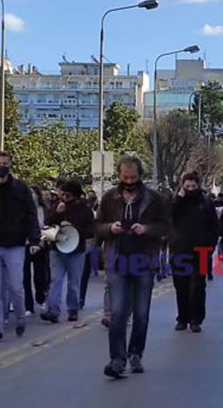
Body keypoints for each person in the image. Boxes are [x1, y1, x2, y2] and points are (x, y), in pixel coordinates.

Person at [96, 155, 168, 378]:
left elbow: (165, 227)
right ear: (118, 176)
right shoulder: (109, 198)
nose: (129, 181)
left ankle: (136, 353)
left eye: (133, 177)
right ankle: (117, 359)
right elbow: (97, 227)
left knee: (141, 313)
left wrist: (145, 230)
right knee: (117, 313)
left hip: (144, 262)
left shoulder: (153, 199)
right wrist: (110, 228)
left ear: (140, 176)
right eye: (125, 177)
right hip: (118, 261)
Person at [0, 151, 40, 343]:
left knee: (16, 287)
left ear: (10, 165)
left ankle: (20, 317)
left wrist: (34, 240)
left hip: (14, 243)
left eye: (4, 163)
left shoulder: (21, 189)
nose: (1, 166)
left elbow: (31, 214)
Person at [170, 172, 219, 333]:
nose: (190, 189)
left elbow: (214, 226)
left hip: (201, 251)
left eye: (193, 186)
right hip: (180, 250)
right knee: (181, 286)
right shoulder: (176, 201)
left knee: (198, 286)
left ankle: (196, 319)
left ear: (198, 185)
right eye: (187, 186)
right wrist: (179, 198)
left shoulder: (205, 202)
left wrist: (210, 245)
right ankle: (182, 318)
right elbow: (168, 215)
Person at [40, 180, 95, 323]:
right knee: (55, 280)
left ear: (76, 195)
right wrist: (57, 214)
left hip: (76, 250)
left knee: (73, 282)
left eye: (68, 195)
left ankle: (73, 309)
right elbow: (46, 224)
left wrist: (74, 228)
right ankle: (53, 310)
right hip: (57, 248)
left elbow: (91, 230)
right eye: (62, 194)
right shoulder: (57, 206)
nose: (64, 197)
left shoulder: (85, 210)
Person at [24, 186, 50, 316]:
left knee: (40, 275)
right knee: (25, 276)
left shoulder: (43, 209)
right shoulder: (21, 210)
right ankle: (28, 306)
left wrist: (41, 242)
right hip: (24, 245)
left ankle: (41, 299)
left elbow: (47, 226)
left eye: (33, 194)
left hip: (40, 244)